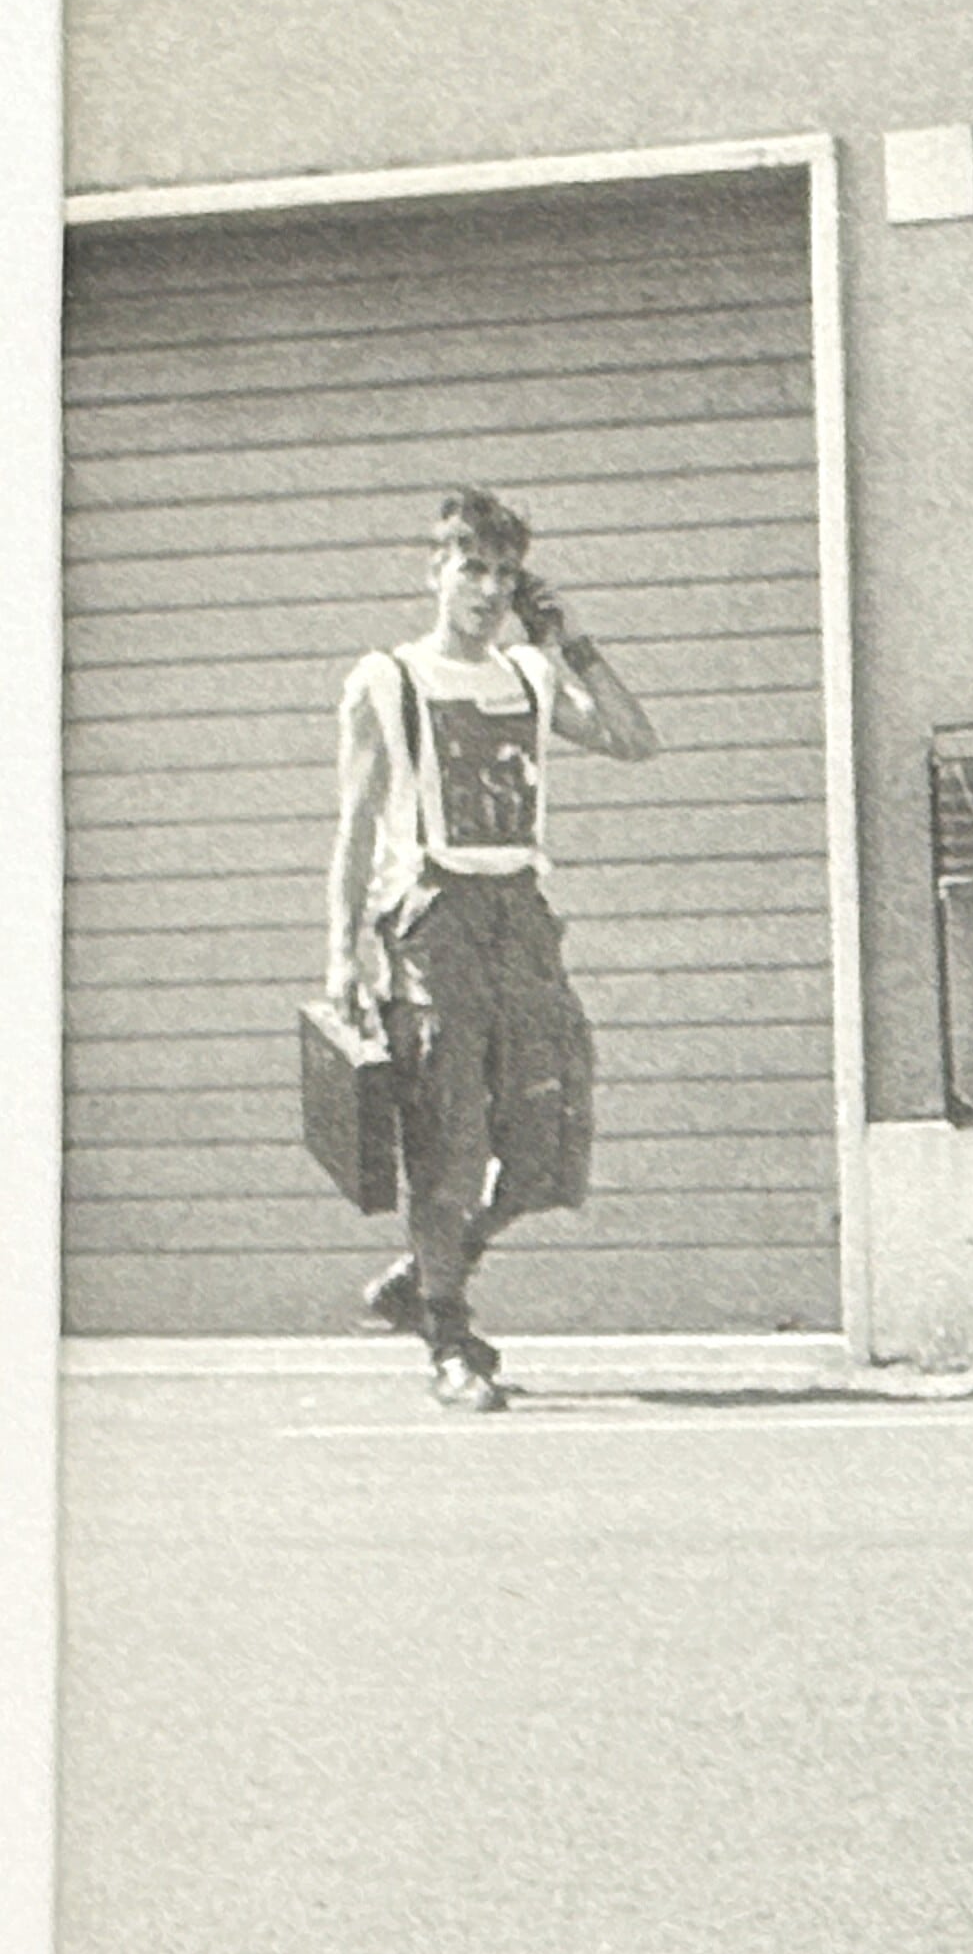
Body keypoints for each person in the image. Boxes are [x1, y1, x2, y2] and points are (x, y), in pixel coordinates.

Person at [325, 488, 659, 1409]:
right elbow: (355, 829)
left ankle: (426, 1278)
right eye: (472, 567)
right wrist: (343, 956)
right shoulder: (386, 680)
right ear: (435, 570)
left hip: (521, 916)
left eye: (505, 574)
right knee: (449, 1141)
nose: (488, 590)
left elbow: (637, 741)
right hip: (434, 919)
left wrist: (567, 641)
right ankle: (449, 1339)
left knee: (547, 1140)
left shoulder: (529, 676)